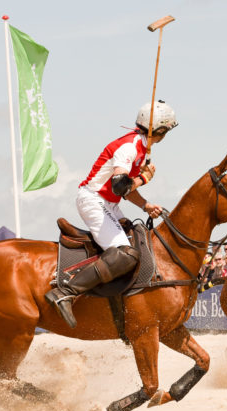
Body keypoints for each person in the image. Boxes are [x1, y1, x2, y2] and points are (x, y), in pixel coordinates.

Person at [45, 100, 178, 328]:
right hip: (95, 200)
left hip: (109, 202)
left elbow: (126, 191)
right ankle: (65, 292)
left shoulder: (141, 148)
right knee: (126, 254)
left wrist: (145, 205)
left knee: (137, 235)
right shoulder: (130, 147)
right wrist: (145, 178)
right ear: (161, 130)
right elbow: (120, 186)